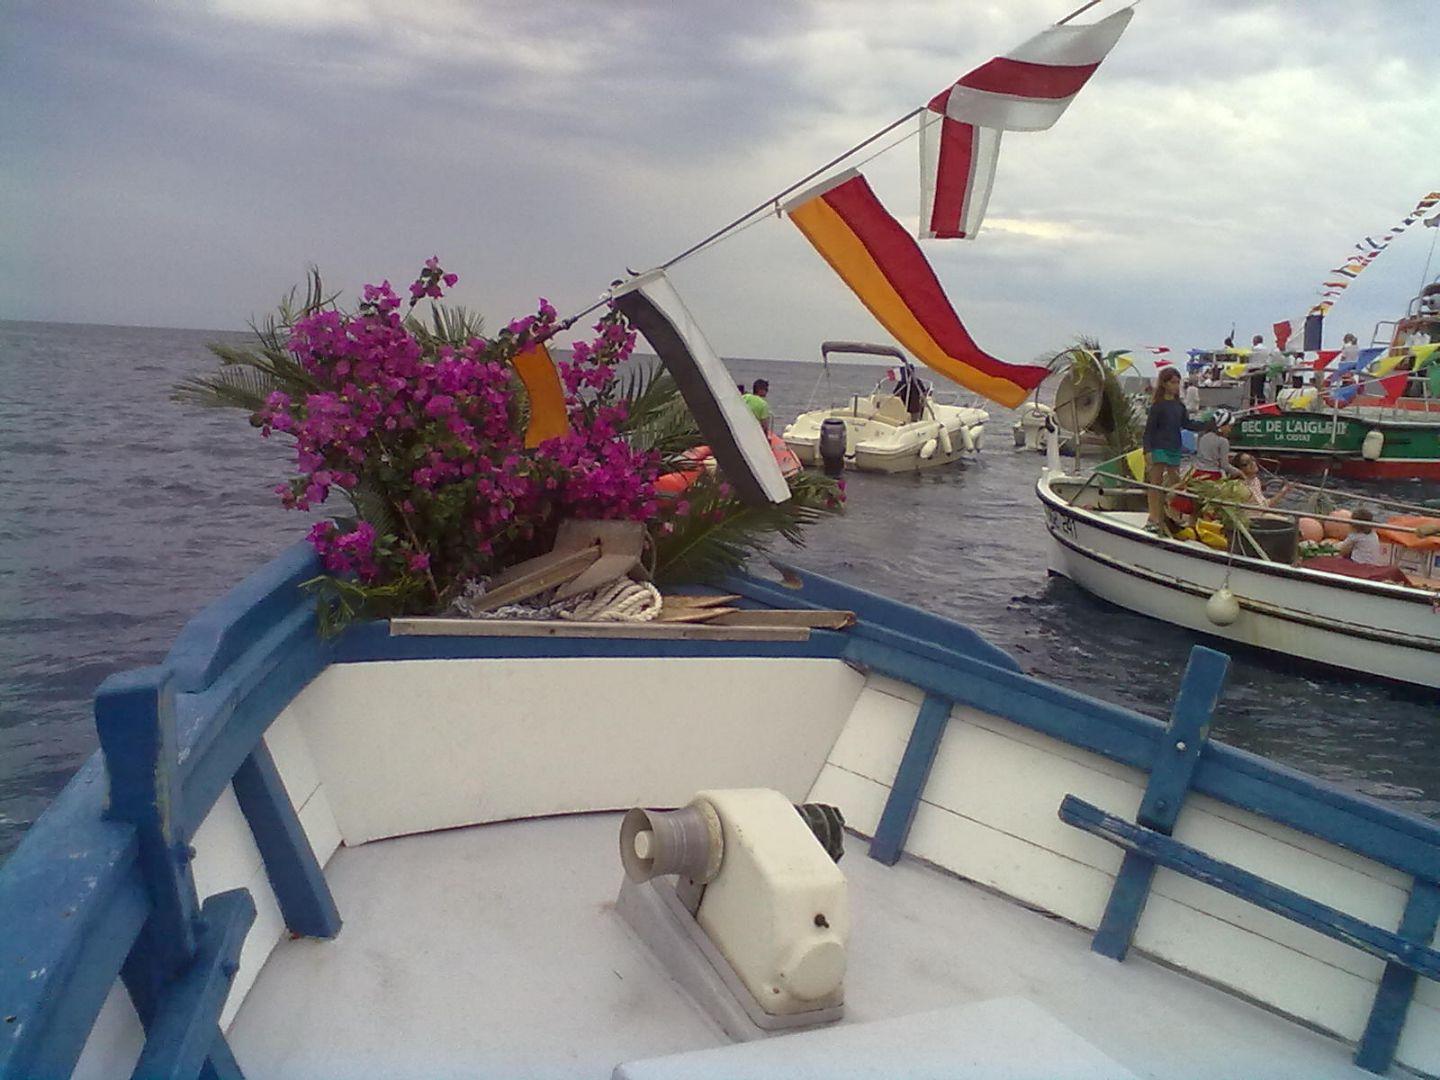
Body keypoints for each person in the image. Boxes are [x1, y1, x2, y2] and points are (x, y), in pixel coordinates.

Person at [1142, 368, 1202, 533]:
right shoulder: (1158, 406)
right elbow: (1149, 431)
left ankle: (1172, 513)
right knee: (1156, 483)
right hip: (1158, 446)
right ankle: (1153, 516)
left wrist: (1207, 425)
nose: (1176, 386)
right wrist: (1147, 451)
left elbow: (1187, 424)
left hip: (1174, 447)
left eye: (1178, 382)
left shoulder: (1179, 406)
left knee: (1177, 483)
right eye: (1173, 382)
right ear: (1164, 383)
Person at [1193, 409, 1242, 481]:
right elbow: (1225, 465)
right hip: (1212, 476)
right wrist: (1240, 473)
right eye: (1229, 427)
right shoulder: (1223, 441)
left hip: (1197, 474)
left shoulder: (1201, 436)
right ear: (1222, 425)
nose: (1230, 430)